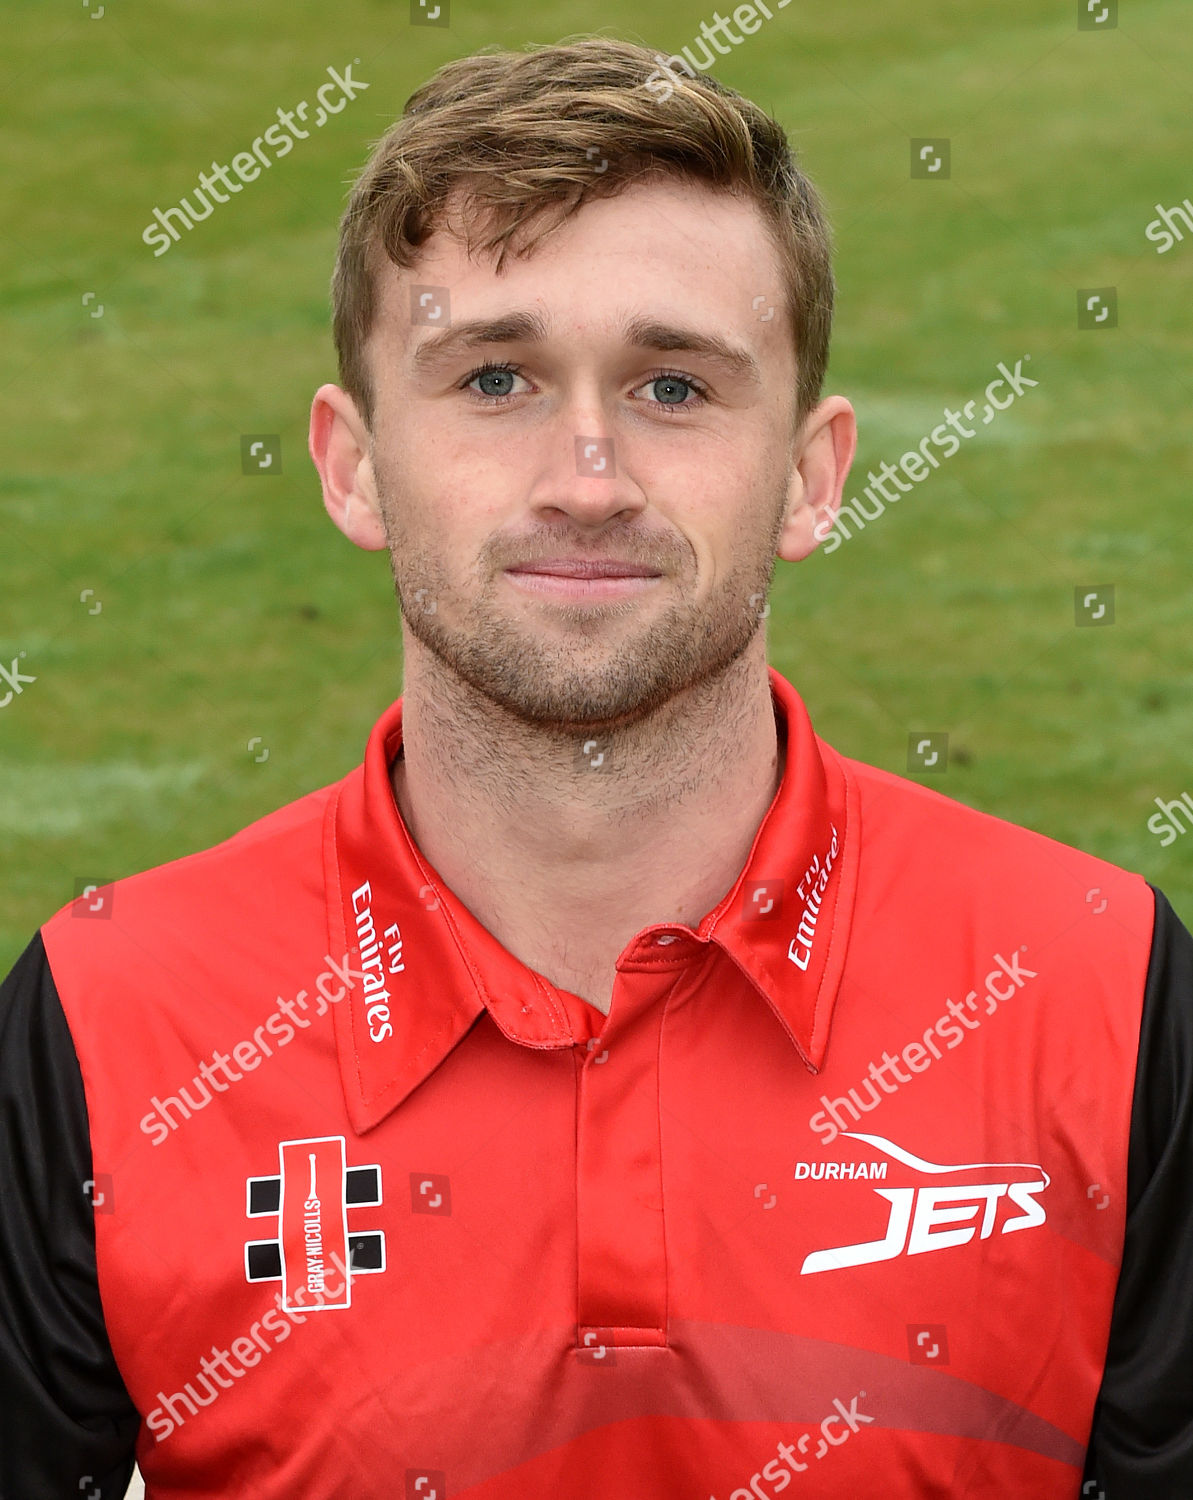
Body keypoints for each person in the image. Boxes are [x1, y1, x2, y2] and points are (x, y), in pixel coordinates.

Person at [1, 33, 1189, 1500]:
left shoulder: (1097, 987)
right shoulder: (111, 1018)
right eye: (493, 378)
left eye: (674, 388)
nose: (585, 475)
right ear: (353, 464)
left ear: (812, 476)